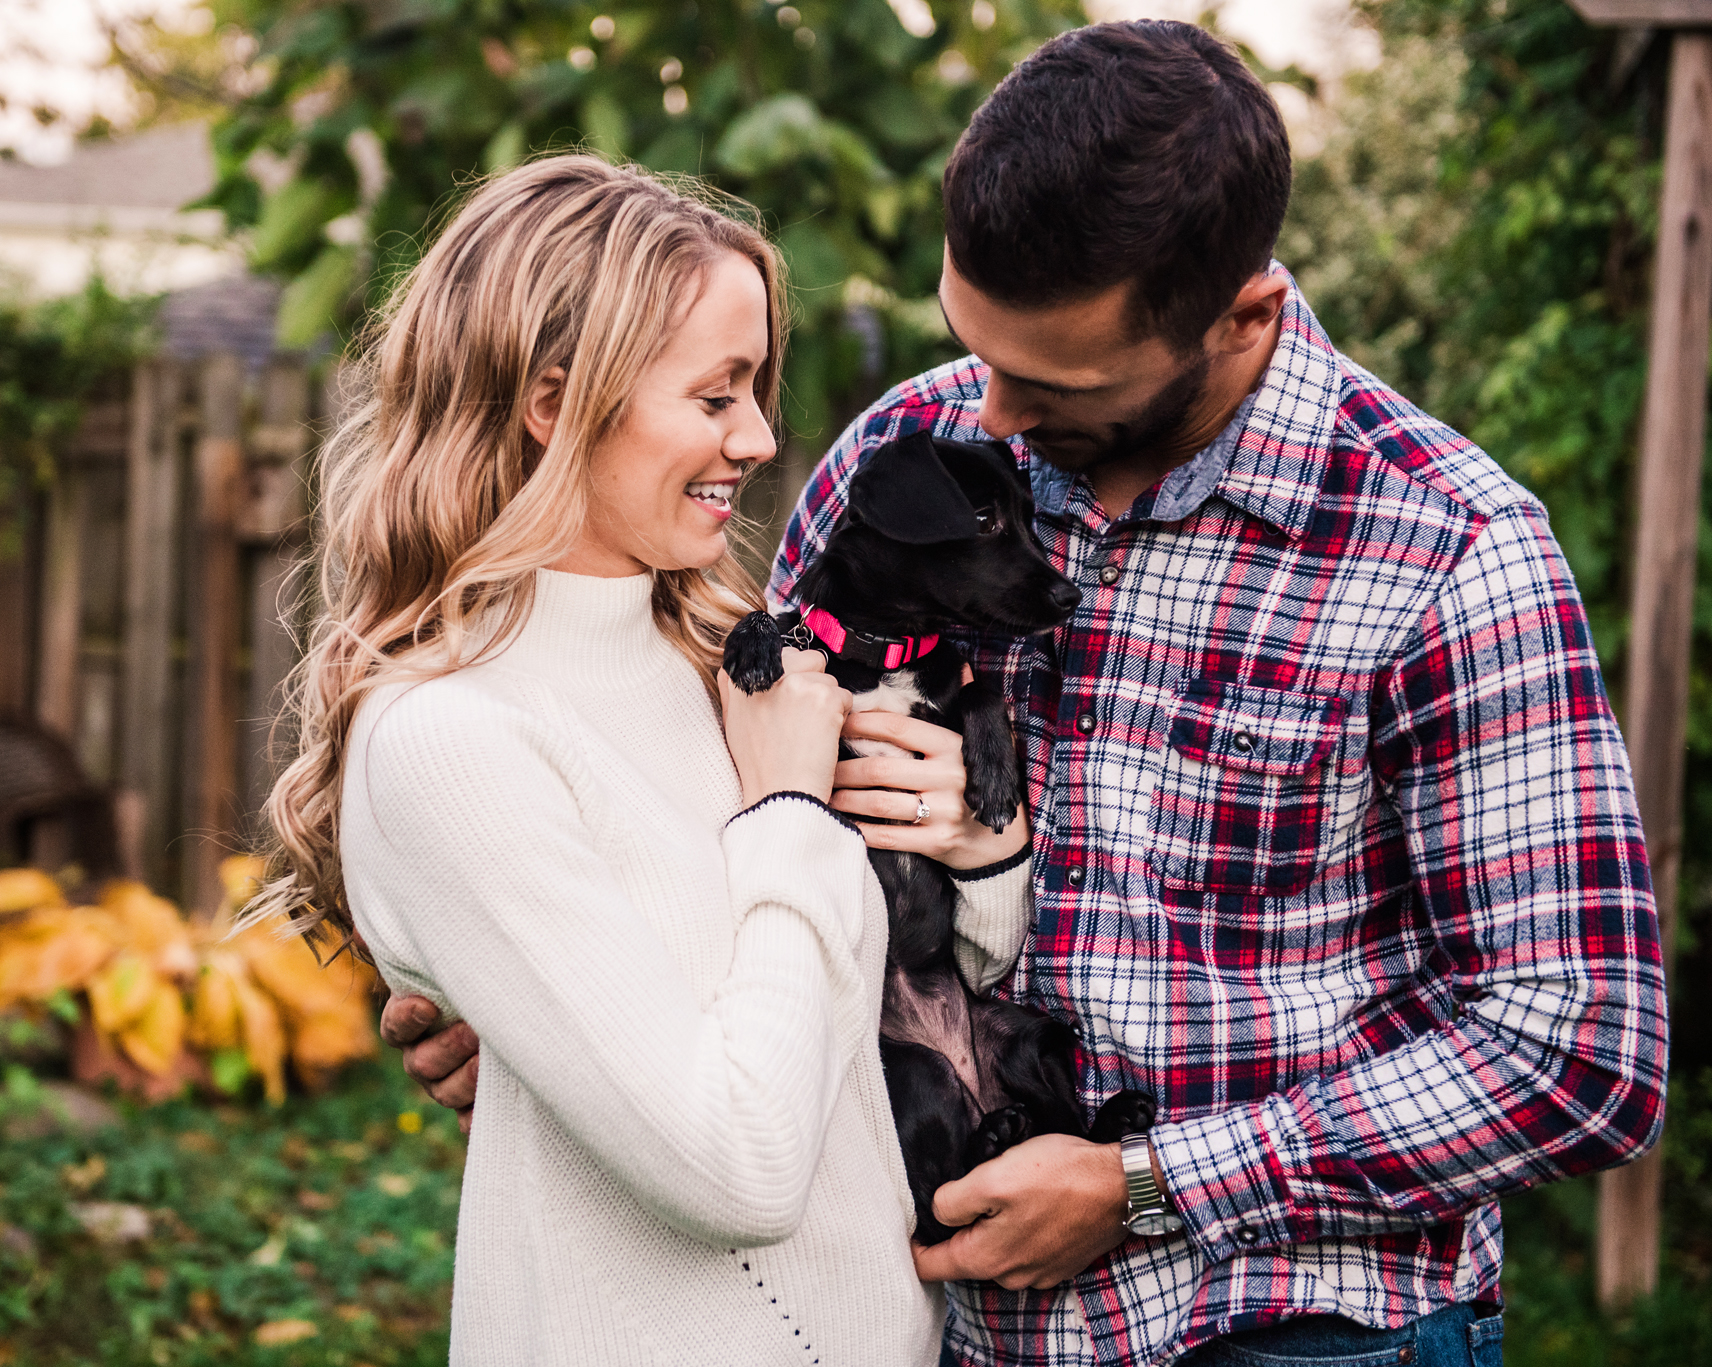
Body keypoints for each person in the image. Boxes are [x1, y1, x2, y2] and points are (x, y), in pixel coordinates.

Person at [384, 20, 1671, 1367]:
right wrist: (568, 1015)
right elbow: (759, 819)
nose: (982, 411)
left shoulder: (1447, 550)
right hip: (940, 1324)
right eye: (970, 343)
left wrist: (1150, 1184)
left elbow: (1578, 1046)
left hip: (1291, 1331)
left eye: (1050, 382)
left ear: (1243, 317)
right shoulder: (904, 455)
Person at [247, 155, 1036, 1365]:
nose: (761, 437)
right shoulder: (451, 739)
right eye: (716, 397)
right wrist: (786, 805)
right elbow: (736, 1162)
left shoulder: (735, 666)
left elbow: (949, 966)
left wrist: (980, 846)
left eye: (756, 391)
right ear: (554, 401)